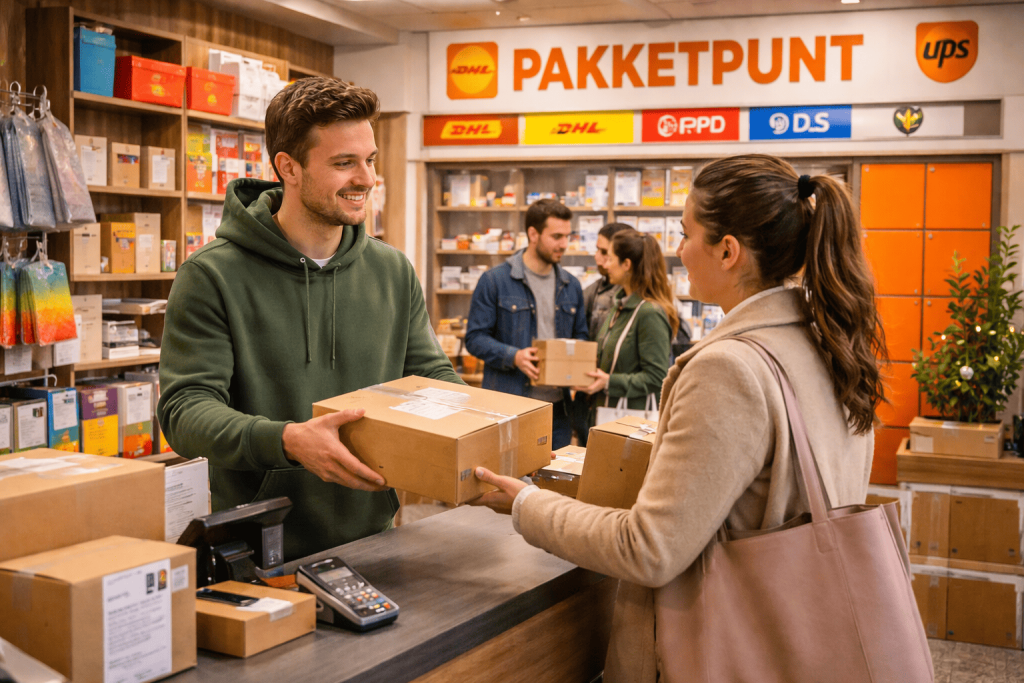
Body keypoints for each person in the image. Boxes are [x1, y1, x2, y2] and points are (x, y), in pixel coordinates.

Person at [473, 154, 885, 682]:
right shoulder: (828, 343)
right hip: (800, 635)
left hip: (722, 649)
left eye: (687, 233)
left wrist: (526, 504)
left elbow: (648, 549)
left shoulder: (728, 369)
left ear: (729, 251)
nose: (679, 250)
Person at [158, 77, 462, 562]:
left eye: (370, 160)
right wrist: (287, 441)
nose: (366, 178)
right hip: (259, 549)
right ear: (288, 167)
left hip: (376, 535)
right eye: (344, 163)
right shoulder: (212, 274)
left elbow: (431, 377)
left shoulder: (392, 270)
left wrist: (484, 431)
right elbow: (185, 412)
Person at [465, 198, 589, 450]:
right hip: (509, 407)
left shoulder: (571, 286)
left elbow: (581, 337)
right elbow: (475, 338)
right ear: (533, 233)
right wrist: (515, 356)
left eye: (567, 236)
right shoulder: (495, 281)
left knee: (553, 483)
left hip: (558, 413)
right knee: (508, 483)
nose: (564, 244)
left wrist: (577, 367)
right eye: (556, 236)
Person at [574, 229, 677, 426]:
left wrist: (609, 382)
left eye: (610, 258)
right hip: (605, 414)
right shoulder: (619, 306)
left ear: (627, 264)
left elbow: (657, 378)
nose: (605, 264)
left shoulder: (649, 313)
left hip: (630, 423)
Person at [572, 222, 631, 445]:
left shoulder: (645, 300)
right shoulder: (590, 292)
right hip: (587, 399)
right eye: (597, 250)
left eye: (604, 252)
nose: (597, 258)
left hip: (621, 403)